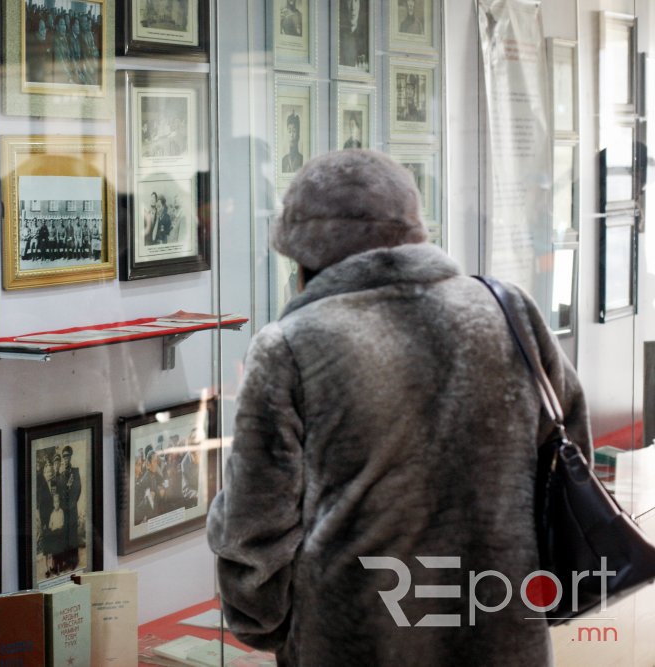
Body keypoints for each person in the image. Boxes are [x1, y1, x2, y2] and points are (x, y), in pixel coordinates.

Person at [206, 150, 592, 666]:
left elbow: (256, 525)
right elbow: (568, 457)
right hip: (500, 626)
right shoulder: (508, 311)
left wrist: (263, 621)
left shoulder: (292, 345)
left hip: (357, 641)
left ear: (301, 254)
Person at [338, 0, 367, 70]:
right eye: (349, 1)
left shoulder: (367, 40)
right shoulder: (338, 38)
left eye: (356, 1)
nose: (353, 7)